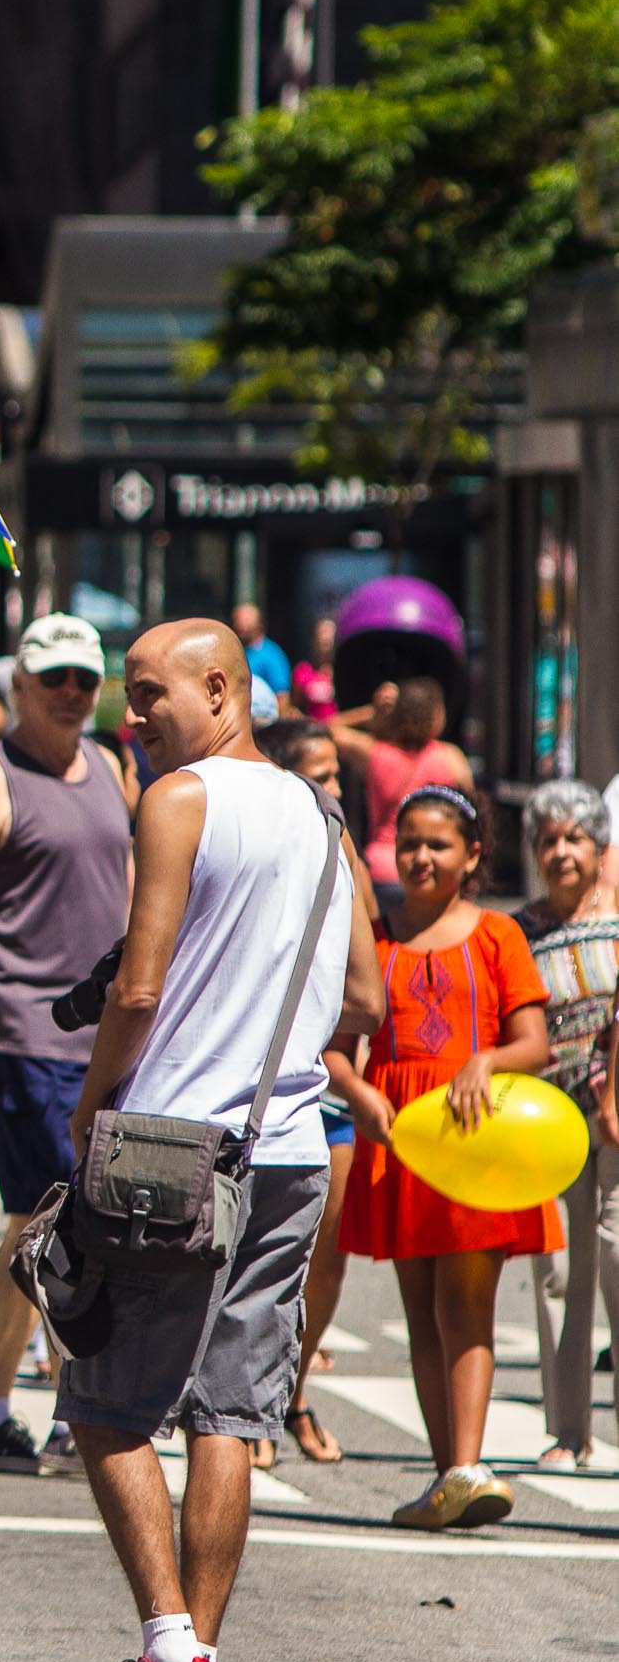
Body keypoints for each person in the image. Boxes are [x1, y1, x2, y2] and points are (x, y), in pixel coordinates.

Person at [46, 618, 376, 1662]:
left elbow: (136, 989)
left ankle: (168, 1650)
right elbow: (366, 997)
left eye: (147, 695)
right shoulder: (323, 812)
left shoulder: (178, 798)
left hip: (169, 1146)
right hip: (284, 1143)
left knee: (100, 1401)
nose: (128, 716)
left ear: (222, 689)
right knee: (228, 1412)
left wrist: (91, 1105)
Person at [0, 614, 136, 1472]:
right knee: (45, 1222)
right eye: (52, 678)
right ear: (17, 684)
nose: (69, 693)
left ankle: (49, 1410)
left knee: (85, 1226)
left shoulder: (112, 771)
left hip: (106, 1035)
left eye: (83, 680)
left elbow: (131, 901)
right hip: (19, 1029)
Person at [327, 785, 553, 1529]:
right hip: (399, 1140)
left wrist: (485, 1061)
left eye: (438, 845)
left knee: (465, 1305)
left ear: (472, 856)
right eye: (409, 842)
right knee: (420, 1313)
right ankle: (445, 1479)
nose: (421, 857)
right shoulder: (375, 937)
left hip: (475, 1139)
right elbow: (331, 1048)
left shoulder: (496, 935)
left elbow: (534, 1043)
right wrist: (357, 1092)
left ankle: (465, 1463)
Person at [256, 719, 386, 1468]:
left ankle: (290, 1393)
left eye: (338, 774)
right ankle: (244, 1410)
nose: (334, 789)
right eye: (318, 774)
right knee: (248, 1258)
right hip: (262, 1084)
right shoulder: (267, 848)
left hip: (333, 1076)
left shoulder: (344, 854)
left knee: (324, 1260)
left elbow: (367, 982)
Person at [511, 780, 619, 1471]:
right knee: (555, 1271)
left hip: (614, 1113)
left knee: (612, 1253)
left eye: (573, 838)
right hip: (547, 1119)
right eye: (547, 840)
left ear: (599, 847)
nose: (559, 853)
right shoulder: (517, 931)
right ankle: (568, 1431)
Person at [330, 675, 472, 898]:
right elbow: (471, 814)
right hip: (435, 870)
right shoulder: (452, 758)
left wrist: (373, 713)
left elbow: (323, 730)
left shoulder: (375, 753)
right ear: (436, 715)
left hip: (381, 868)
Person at [231, 602, 291, 711]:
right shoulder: (231, 651)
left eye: (246, 624)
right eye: (238, 623)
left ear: (259, 626)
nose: (241, 628)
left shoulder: (272, 655)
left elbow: (282, 696)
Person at [291, 616, 340, 724]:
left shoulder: (344, 671)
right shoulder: (303, 671)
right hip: (312, 729)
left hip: (340, 727)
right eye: (322, 632)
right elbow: (295, 706)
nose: (325, 636)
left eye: (329, 633)